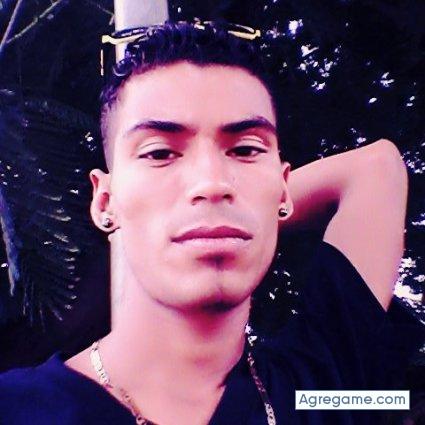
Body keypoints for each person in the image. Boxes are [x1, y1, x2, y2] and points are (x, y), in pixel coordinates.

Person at [0, 20, 423, 425]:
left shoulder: (317, 392)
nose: (212, 182)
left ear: (283, 191)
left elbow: (378, 166)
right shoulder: (16, 409)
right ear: (106, 201)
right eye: (160, 153)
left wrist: (247, 216)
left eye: (245, 150)